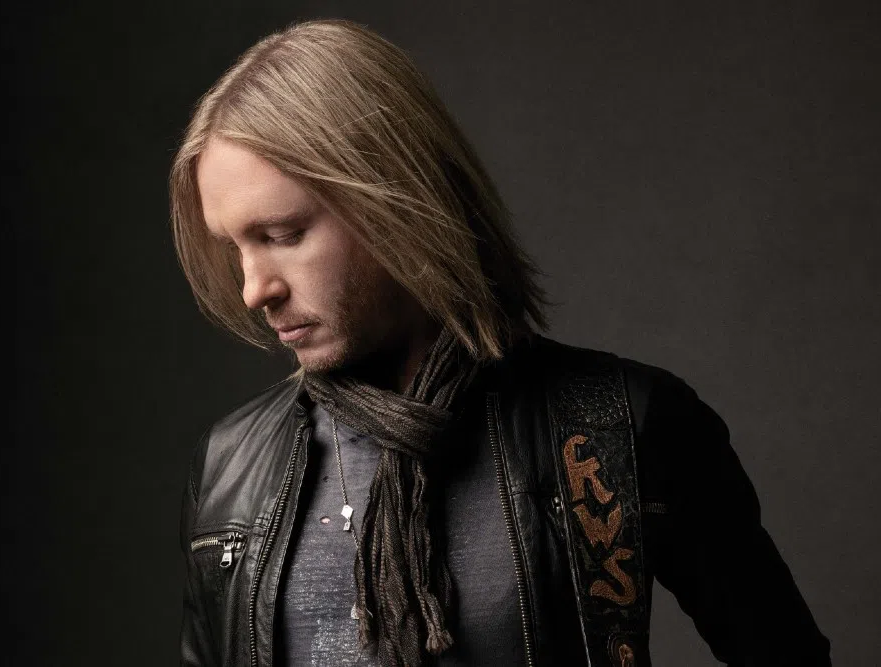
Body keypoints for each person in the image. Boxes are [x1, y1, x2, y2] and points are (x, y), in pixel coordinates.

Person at [170, 18, 831, 667]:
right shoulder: (231, 468)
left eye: (281, 235)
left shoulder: (623, 426)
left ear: (394, 199)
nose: (254, 289)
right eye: (235, 248)